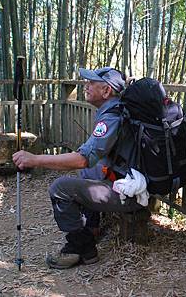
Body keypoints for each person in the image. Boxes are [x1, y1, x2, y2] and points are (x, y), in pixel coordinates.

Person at [12, 67, 143, 269]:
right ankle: (91, 228)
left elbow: (83, 158)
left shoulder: (112, 117)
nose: (86, 86)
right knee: (87, 172)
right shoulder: (116, 109)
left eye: (91, 83)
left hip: (129, 194)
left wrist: (35, 159)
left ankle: (82, 248)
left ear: (106, 91)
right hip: (128, 182)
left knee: (60, 188)